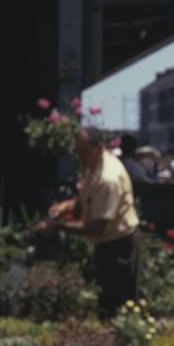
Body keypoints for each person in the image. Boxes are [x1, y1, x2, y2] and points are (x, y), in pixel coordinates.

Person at [34, 127, 141, 319]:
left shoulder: (109, 178)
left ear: (98, 148)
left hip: (118, 245)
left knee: (117, 307)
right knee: (105, 302)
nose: (79, 157)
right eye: (77, 151)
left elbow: (96, 228)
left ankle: (122, 343)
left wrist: (57, 227)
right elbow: (89, 199)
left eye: (83, 151)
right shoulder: (94, 166)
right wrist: (67, 206)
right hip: (107, 242)